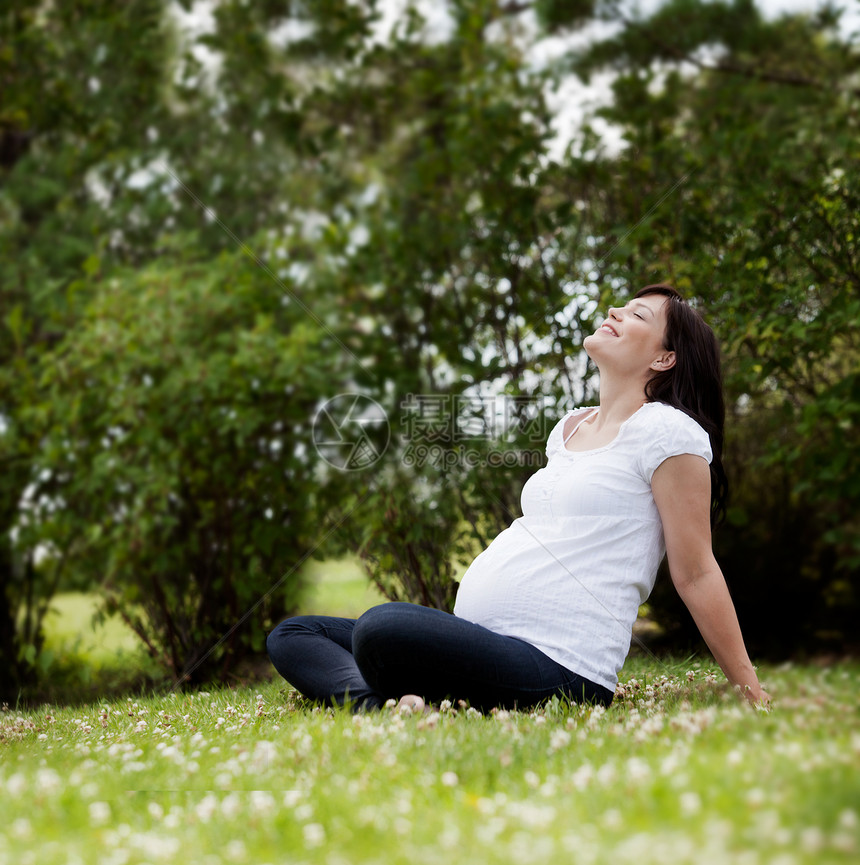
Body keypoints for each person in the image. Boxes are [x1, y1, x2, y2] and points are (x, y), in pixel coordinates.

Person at [266, 284, 771, 712]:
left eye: (638, 313)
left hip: (558, 665)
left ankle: (396, 692)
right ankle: (386, 708)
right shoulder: (572, 426)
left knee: (381, 627)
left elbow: (696, 570)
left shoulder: (668, 432)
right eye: (621, 305)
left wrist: (748, 688)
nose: (615, 310)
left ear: (664, 358)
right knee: (294, 634)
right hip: (482, 642)